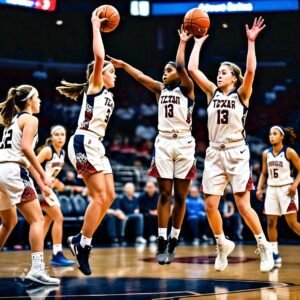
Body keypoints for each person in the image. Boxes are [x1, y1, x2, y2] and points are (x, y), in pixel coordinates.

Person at [188, 17, 274, 272]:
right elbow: (193, 70)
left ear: (234, 79)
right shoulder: (212, 92)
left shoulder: (242, 94)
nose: (219, 74)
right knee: (210, 205)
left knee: (242, 205)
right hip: (214, 152)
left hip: (237, 152)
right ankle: (222, 243)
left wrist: (251, 43)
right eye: (219, 72)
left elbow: (251, 71)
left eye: (224, 72)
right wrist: (198, 43)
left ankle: (263, 245)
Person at [108, 26, 196, 265]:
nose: (164, 73)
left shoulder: (187, 88)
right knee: (164, 193)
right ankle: (161, 240)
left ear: (177, 75)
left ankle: (174, 241)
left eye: (168, 70)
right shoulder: (160, 89)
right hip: (164, 142)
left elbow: (181, 66)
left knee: (181, 197)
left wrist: (182, 43)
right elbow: (140, 77)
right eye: (164, 70)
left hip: (185, 143)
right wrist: (124, 65)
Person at [56, 8, 116, 275]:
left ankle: (80, 240)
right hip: (83, 141)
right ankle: (83, 243)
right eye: (110, 71)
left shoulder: (108, 93)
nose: (114, 75)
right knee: (99, 195)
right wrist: (95, 25)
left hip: (97, 145)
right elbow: (99, 56)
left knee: (110, 196)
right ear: (100, 75)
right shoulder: (95, 87)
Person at [0, 84, 60, 285]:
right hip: (13, 172)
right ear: (29, 101)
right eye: (38, 97)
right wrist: (43, 173)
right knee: (37, 220)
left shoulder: (11, 122)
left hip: (2, 170)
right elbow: (26, 150)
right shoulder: (31, 119)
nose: (41, 101)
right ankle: (36, 270)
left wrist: (41, 183)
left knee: (9, 222)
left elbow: (24, 156)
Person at [256, 126, 300, 266]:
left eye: (275, 134)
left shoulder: (289, 152)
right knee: (270, 222)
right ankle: (274, 253)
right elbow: (263, 173)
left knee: (292, 224)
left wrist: (294, 185)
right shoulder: (265, 154)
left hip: (287, 189)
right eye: (270, 134)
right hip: (271, 190)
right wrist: (259, 188)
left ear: (282, 137)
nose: (271, 136)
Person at [37, 125, 75, 266]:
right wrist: (43, 183)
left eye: (62, 134)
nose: (60, 137)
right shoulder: (48, 150)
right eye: (57, 134)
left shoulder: (63, 154)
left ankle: (37, 254)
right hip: (39, 187)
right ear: (51, 137)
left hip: (47, 187)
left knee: (48, 220)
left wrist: (56, 182)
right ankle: (57, 254)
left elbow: (50, 175)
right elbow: (31, 165)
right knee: (59, 218)